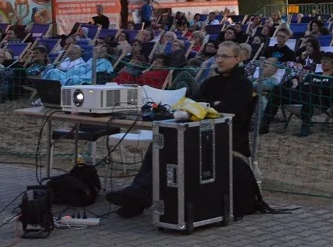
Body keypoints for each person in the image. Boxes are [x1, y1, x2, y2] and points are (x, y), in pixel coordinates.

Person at [106, 41, 255, 218]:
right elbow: (191, 104)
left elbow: (224, 113)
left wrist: (205, 108)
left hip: (225, 138)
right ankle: (138, 193)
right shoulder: (211, 82)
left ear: (237, 59)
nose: (220, 60)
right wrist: (207, 107)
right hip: (197, 132)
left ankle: (138, 195)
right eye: (218, 56)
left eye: (225, 56)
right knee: (162, 140)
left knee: (173, 146)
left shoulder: (243, 84)